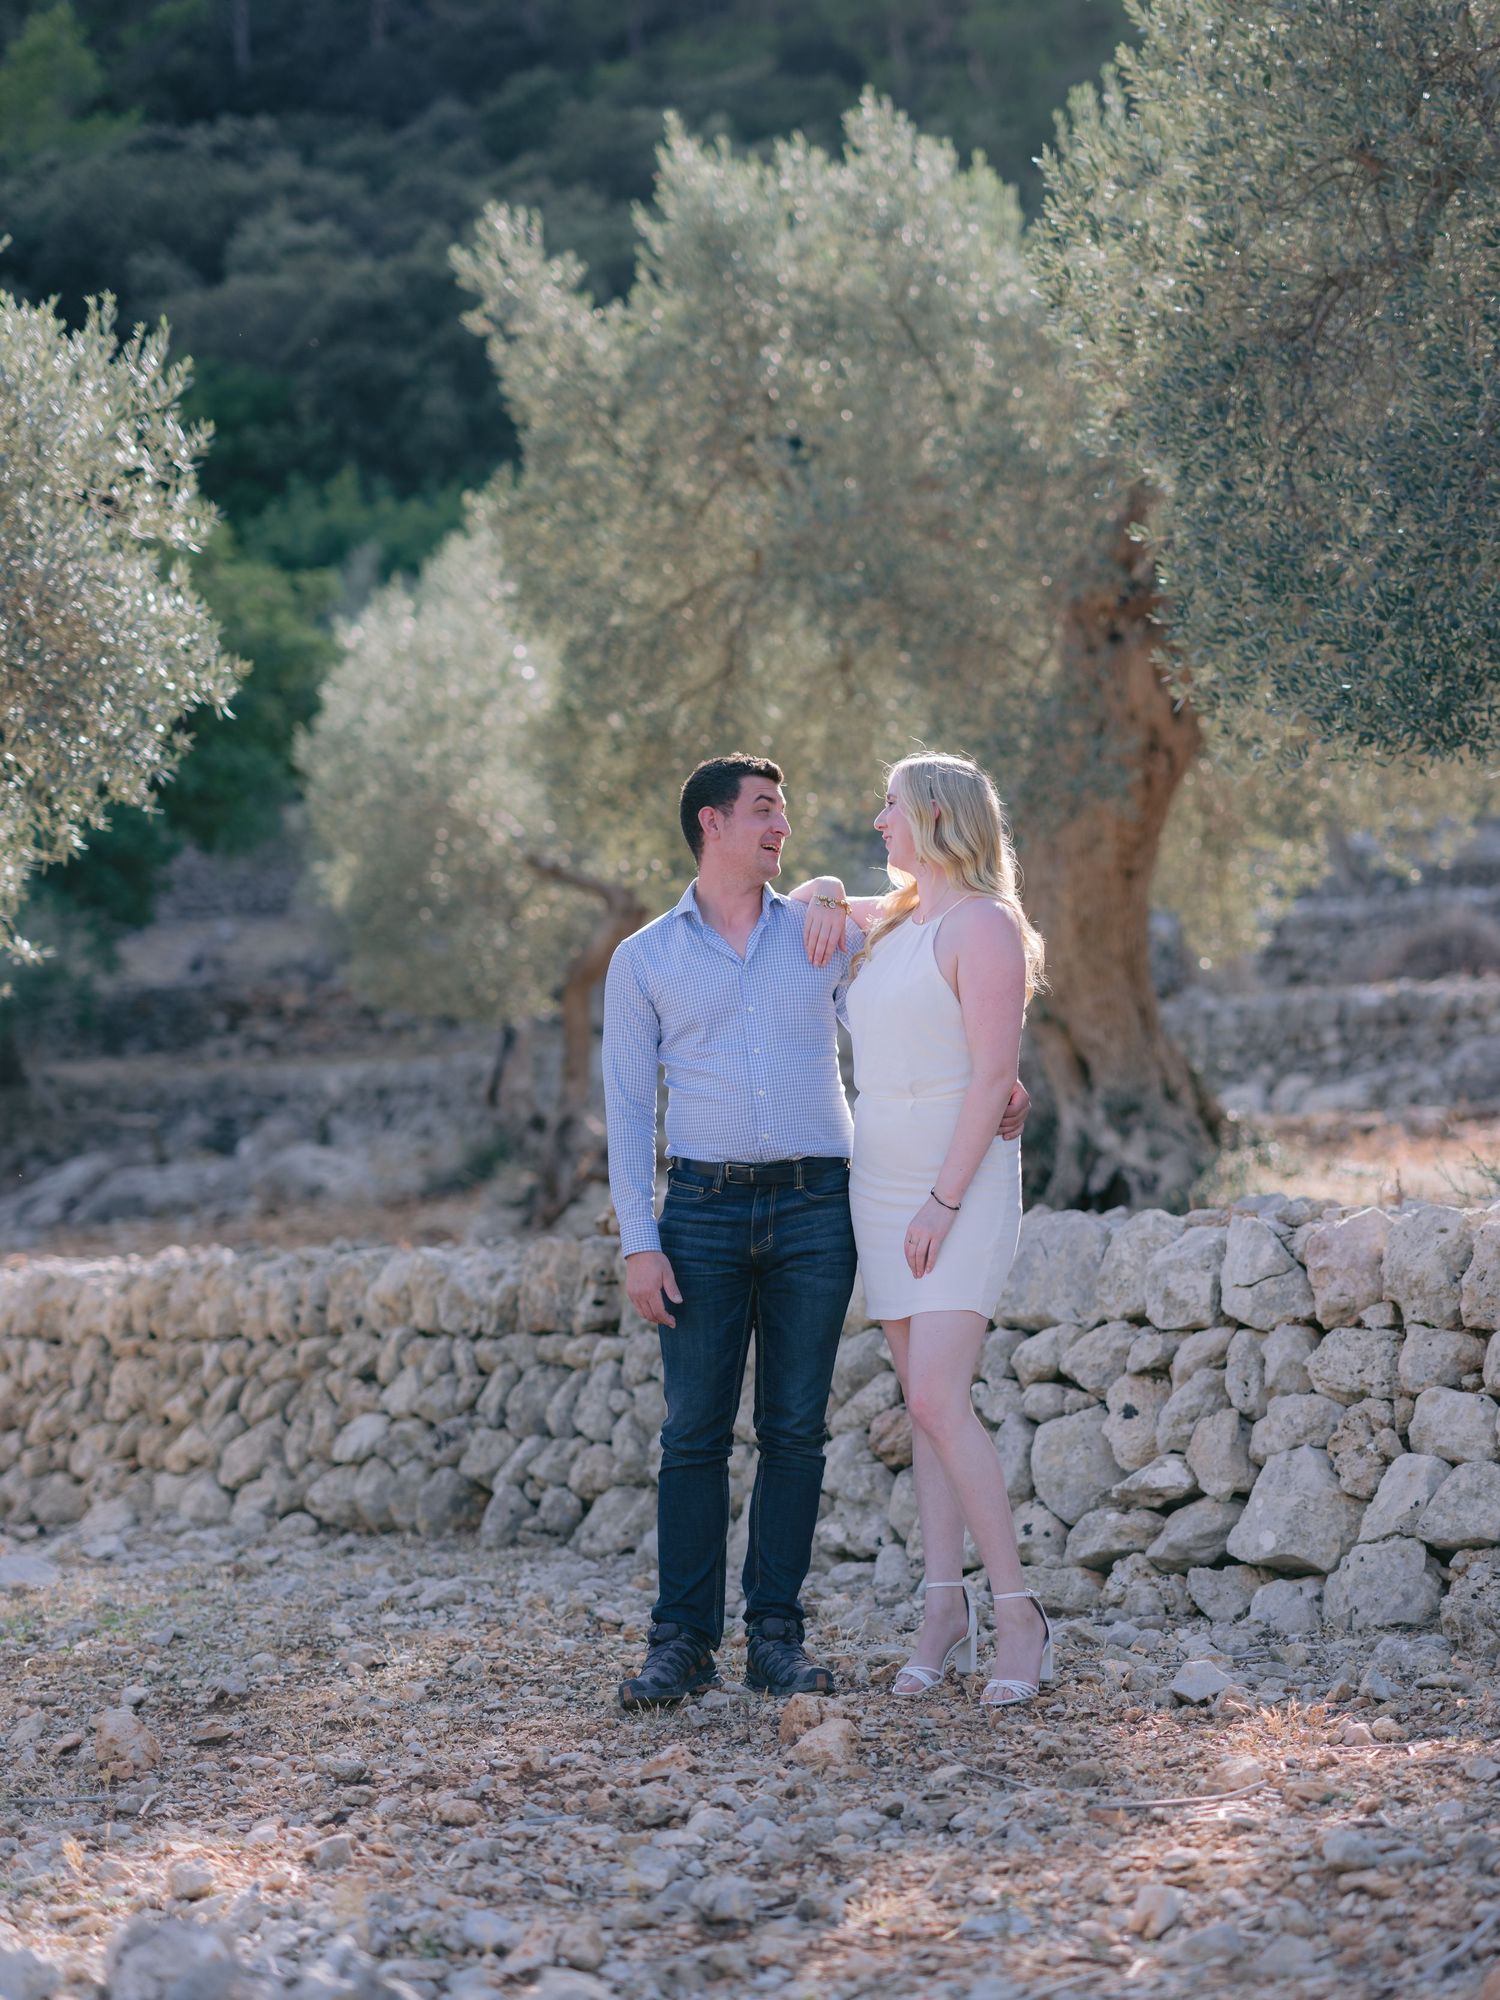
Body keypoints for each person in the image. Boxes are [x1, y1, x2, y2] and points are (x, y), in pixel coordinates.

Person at [603, 753, 1028, 1709]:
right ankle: (680, 1643)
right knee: (691, 1434)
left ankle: (777, 1641)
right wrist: (641, 1237)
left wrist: (1002, 1083)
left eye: (784, 812)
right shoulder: (643, 960)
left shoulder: (826, 933)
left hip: (817, 1207)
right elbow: (628, 1109)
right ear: (711, 824)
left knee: (796, 1431)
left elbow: (917, 1009)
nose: (782, 829)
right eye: (764, 812)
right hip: (702, 1211)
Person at [794, 751, 1051, 1707]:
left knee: (940, 1398)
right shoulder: (899, 918)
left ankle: (1020, 1615)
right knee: (919, 1407)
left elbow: (993, 1078)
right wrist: (821, 887)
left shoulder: (985, 924)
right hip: (879, 1175)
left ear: (936, 815)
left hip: (961, 1178)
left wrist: (944, 1201)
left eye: (889, 807)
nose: (876, 822)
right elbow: (807, 905)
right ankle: (944, 1609)